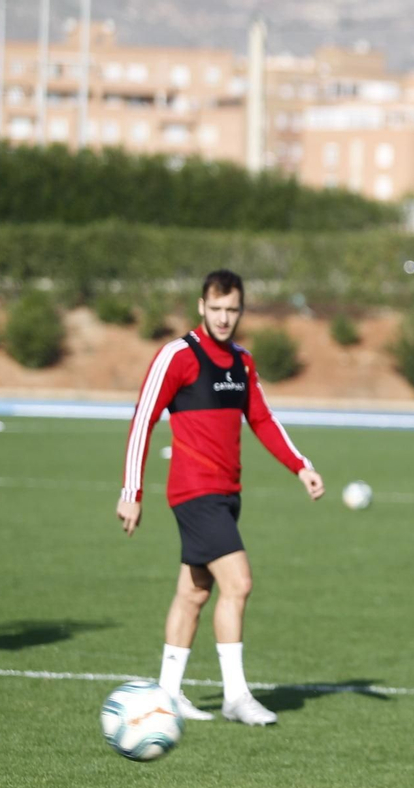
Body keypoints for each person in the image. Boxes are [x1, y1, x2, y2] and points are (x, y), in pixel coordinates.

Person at [117, 270, 324, 724]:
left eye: (233, 310)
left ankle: (166, 696)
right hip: (194, 493)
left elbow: (263, 420)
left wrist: (301, 466)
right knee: (239, 582)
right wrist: (131, 491)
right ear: (201, 306)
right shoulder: (177, 356)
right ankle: (235, 696)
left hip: (228, 494)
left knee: (194, 592)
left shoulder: (241, 362)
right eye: (217, 309)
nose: (225, 318)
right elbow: (142, 420)